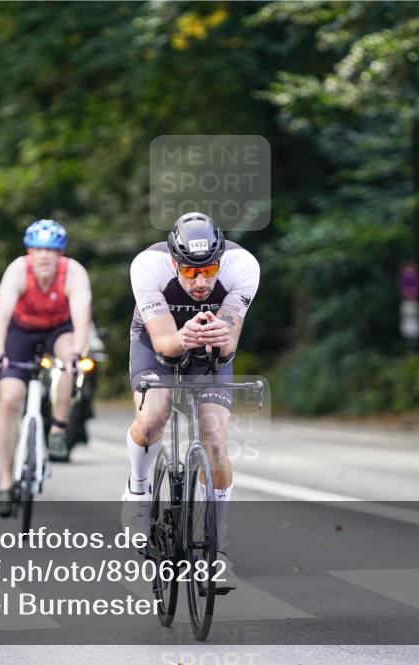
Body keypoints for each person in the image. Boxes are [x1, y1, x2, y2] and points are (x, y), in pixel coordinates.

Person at [124, 211, 260, 591]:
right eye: (189, 272)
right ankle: (137, 488)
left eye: (209, 269)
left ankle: (216, 548)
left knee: (215, 437)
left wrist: (222, 332)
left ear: (221, 260)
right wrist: (183, 336)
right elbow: (166, 343)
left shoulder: (243, 266)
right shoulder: (148, 267)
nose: (201, 282)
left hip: (211, 351)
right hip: (158, 343)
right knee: (155, 413)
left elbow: (230, 343)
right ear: (174, 263)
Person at [0, 219, 93, 517]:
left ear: (60, 253)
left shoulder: (73, 273)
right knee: (9, 399)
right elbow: (1, 317)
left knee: (70, 363)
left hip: (58, 329)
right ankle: (6, 483)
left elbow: (82, 317)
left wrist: (76, 352)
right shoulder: (17, 271)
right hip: (21, 332)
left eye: (51, 249)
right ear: (29, 251)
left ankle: (59, 429)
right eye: (38, 249)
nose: (44, 256)